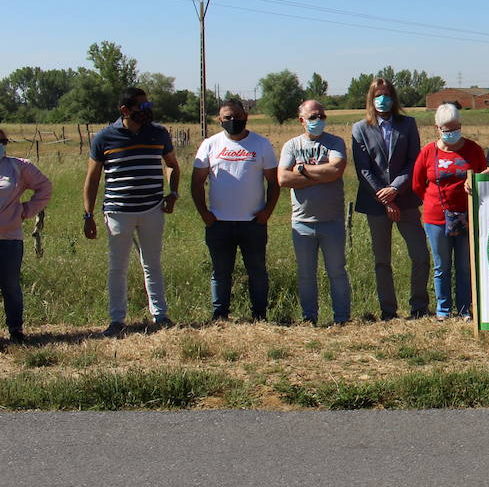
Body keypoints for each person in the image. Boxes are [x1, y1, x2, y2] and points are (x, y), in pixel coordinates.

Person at [83, 87, 181, 337]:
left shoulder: (158, 133)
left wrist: (173, 192)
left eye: (149, 106)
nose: (147, 111)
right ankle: (117, 320)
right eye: (142, 107)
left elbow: (172, 165)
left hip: (152, 210)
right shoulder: (104, 137)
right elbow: (93, 178)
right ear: (125, 110)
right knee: (118, 267)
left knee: (152, 264)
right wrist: (88, 215)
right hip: (118, 212)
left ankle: (160, 316)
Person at [192, 99, 280, 321]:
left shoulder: (261, 144)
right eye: (228, 117)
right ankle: (220, 316)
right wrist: (204, 214)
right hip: (218, 223)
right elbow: (196, 183)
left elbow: (273, 182)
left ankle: (259, 316)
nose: (233, 121)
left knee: (257, 272)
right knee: (220, 273)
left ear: (246, 117)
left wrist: (267, 212)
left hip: (253, 223)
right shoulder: (210, 145)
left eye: (237, 116)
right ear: (220, 120)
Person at [352, 77, 430, 320]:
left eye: (386, 94)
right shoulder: (360, 129)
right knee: (382, 260)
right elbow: (363, 169)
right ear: (370, 99)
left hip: (405, 199)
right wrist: (385, 199)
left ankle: (418, 307)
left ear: (393, 98)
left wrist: (395, 189)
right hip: (376, 204)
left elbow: (413, 161)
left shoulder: (407, 124)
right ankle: (388, 311)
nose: (382, 100)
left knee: (420, 255)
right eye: (377, 95)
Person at [278, 99, 352, 326]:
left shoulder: (335, 142)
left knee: (337, 273)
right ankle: (309, 319)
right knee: (306, 275)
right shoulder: (291, 146)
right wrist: (320, 175)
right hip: (302, 222)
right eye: (312, 117)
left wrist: (302, 171)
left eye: (321, 116)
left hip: (332, 221)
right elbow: (283, 178)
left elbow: (336, 171)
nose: (318, 120)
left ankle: (342, 319)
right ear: (302, 121)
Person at [412, 103, 487, 320]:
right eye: (446, 129)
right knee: (441, 266)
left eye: (454, 128)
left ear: (460, 126)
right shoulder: (428, 152)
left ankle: (465, 308)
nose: (451, 133)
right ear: (437, 128)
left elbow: (484, 177)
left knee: (464, 266)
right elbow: (417, 184)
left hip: (468, 216)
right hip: (436, 218)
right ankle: (443, 309)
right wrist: (430, 203)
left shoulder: (473, 150)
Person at [0, 128, 52, 345]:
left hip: (10, 238)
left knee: (10, 285)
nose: (1, 143)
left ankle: (16, 331)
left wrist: (26, 211)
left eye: (2, 140)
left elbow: (45, 188)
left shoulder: (19, 166)